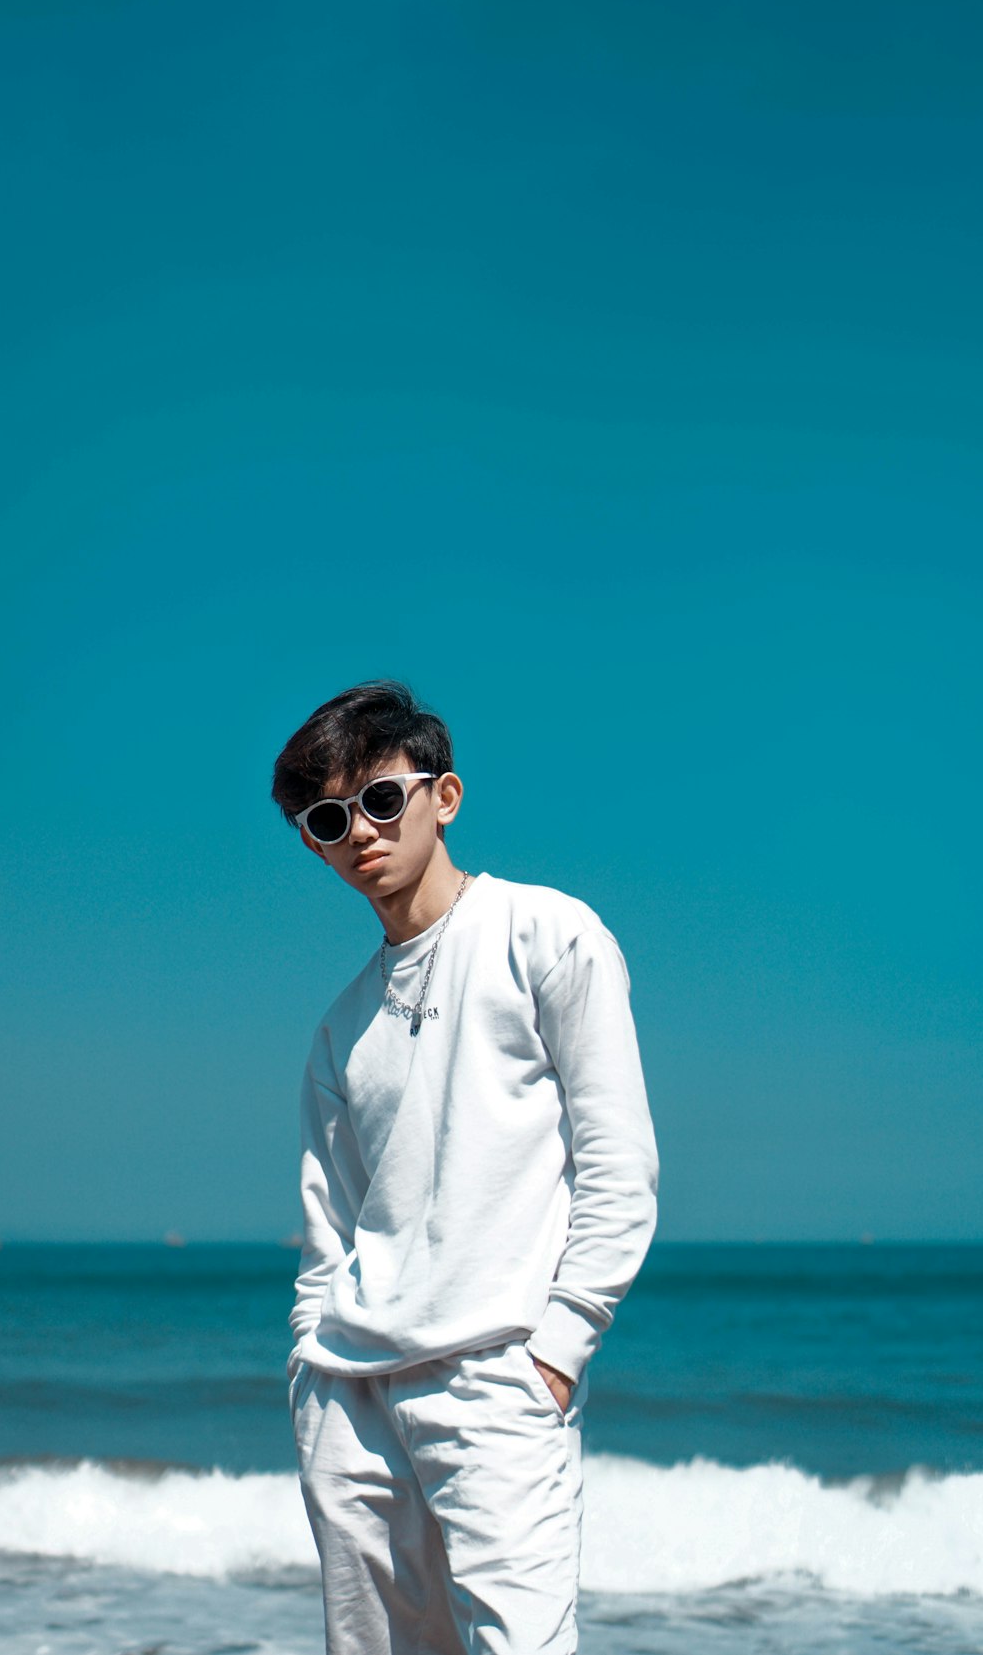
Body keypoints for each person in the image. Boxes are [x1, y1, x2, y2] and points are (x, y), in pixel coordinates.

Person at [271, 680, 659, 1655]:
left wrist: (559, 1348)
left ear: (442, 796)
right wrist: (309, 1373)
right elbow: (330, 1234)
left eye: (379, 798)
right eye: (326, 818)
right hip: (348, 1393)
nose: (358, 830)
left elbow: (619, 1161)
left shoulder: (548, 934)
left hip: (501, 1374)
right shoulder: (338, 1032)